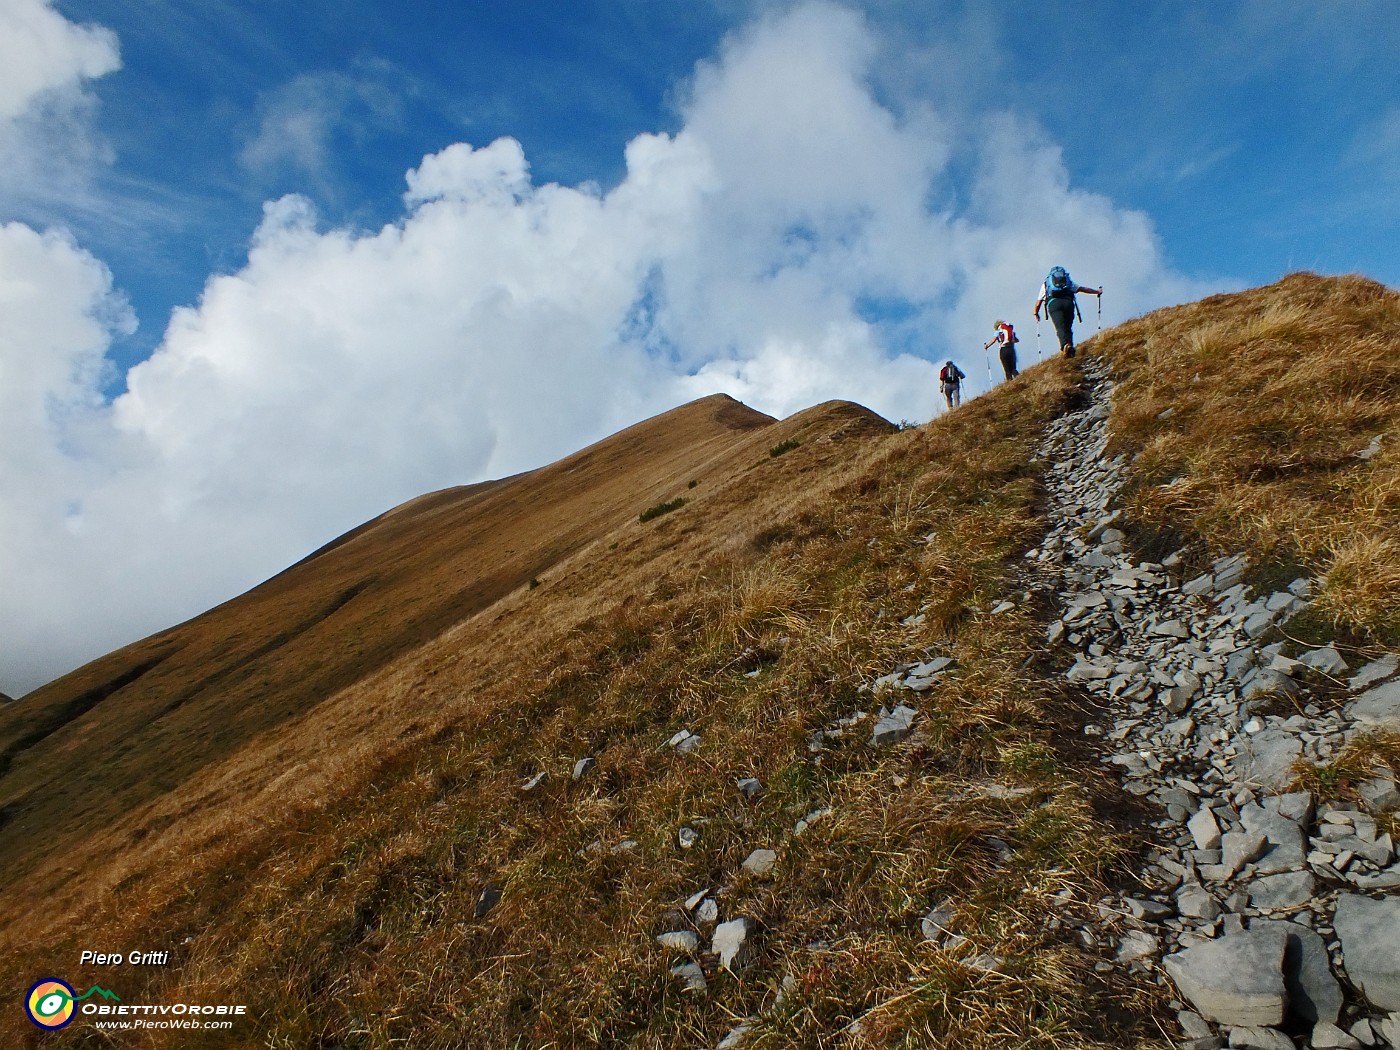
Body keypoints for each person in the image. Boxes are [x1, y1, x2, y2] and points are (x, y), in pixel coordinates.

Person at [1034, 266, 1102, 358]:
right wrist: (1097, 292)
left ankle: (1065, 346)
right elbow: (1082, 289)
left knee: (1060, 327)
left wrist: (1036, 313)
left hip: (1054, 304)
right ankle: (1070, 348)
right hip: (1068, 303)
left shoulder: (1046, 284)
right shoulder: (1068, 282)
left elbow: (1038, 302)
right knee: (1068, 327)